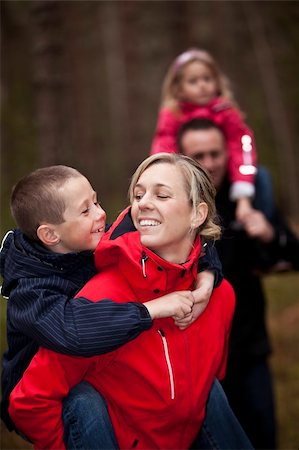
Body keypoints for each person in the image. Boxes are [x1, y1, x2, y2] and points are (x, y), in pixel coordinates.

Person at [7, 154, 253, 449]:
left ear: (197, 214)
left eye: (161, 194)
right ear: (49, 234)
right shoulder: (52, 297)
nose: (141, 204)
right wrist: (149, 311)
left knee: (209, 390)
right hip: (47, 390)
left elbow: (185, 245)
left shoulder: (217, 295)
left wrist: (209, 273)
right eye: (138, 195)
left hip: (183, 432)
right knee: (84, 401)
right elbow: (69, 337)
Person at [178, 118, 299, 449]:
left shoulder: (247, 197)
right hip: (192, 359)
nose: (209, 163)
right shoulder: (170, 207)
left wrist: (270, 232)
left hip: (248, 348)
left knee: (261, 437)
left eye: (215, 153)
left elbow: (292, 253)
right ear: (182, 157)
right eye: (198, 155)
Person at [151, 48, 257, 223]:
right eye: (193, 81)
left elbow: (242, 147)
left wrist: (243, 188)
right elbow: (163, 147)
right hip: (189, 177)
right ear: (179, 89)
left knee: (262, 178)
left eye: (207, 79)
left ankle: (257, 219)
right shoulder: (173, 115)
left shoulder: (226, 112)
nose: (202, 85)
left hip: (229, 176)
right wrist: (166, 177)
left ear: (217, 82)